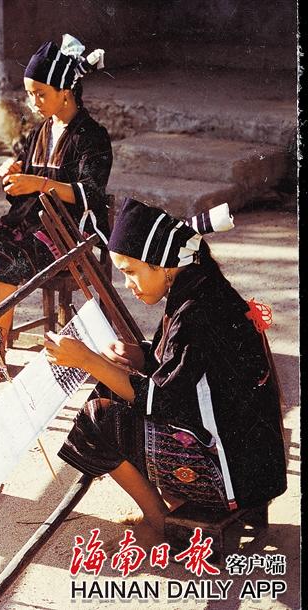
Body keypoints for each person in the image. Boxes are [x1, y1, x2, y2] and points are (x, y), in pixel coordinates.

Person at [45, 198, 287, 542]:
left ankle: (159, 520)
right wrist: (141, 356)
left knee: (98, 418)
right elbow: (189, 369)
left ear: (164, 267)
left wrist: (87, 360)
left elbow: (162, 400)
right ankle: (171, 505)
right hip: (250, 466)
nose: (128, 284)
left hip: (230, 475)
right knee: (111, 390)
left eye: (131, 272)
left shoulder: (195, 312)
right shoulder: (200, 289)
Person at [0, 34, 112, 384]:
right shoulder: (40, 133)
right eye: (30, 94)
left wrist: (38, 183)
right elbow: (22, 191)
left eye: (41, 94)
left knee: (0, 261)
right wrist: (13, 175)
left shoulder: (92, 137)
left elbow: (90, 194)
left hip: (69, 233)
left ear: (65, 92)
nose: (34, 102)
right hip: (32, 226)